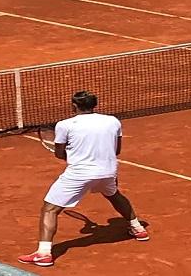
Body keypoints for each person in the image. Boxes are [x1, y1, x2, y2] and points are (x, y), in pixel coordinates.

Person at [18, 91, 149, 267]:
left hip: (79, 174)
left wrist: (73, 155)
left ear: (74, 105)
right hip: (108, 170)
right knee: (113, 195)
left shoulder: (64, 125)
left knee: (49, 209)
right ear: (94, 104)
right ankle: (138, 228)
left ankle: (43, 254)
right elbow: (116, 150)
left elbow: (59, 153)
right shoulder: (112, 121)